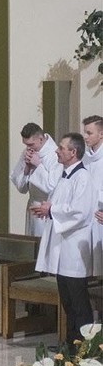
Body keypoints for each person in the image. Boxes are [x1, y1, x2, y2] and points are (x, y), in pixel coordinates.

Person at [32, 132, 95, 345]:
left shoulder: (83, 177)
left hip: (74, 248)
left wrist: (52, 209)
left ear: (73, 152)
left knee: (78, 300)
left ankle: (84, 346)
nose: (57, 151)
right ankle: (70, 341)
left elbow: (80, 211)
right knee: (67, 300)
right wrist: (46, 210)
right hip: (62, 247)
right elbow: (58, 206)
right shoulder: (64, 175)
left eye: (61, 148)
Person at [10, 121, 59, 236]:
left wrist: (38, 166)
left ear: (41, 139)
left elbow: (53, 186)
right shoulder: (28, 152)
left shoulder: (55, 154)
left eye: (31, 144)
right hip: (32, 205)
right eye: (26, 144)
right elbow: (21, 188)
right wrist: (27, 169)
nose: (28, 148)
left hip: (47, 207)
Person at [81, 114, 103, 277]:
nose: (85, 136)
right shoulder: (85, 158)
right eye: (85, 132)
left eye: (89, 133)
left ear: (101, 134)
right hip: (87, 218)